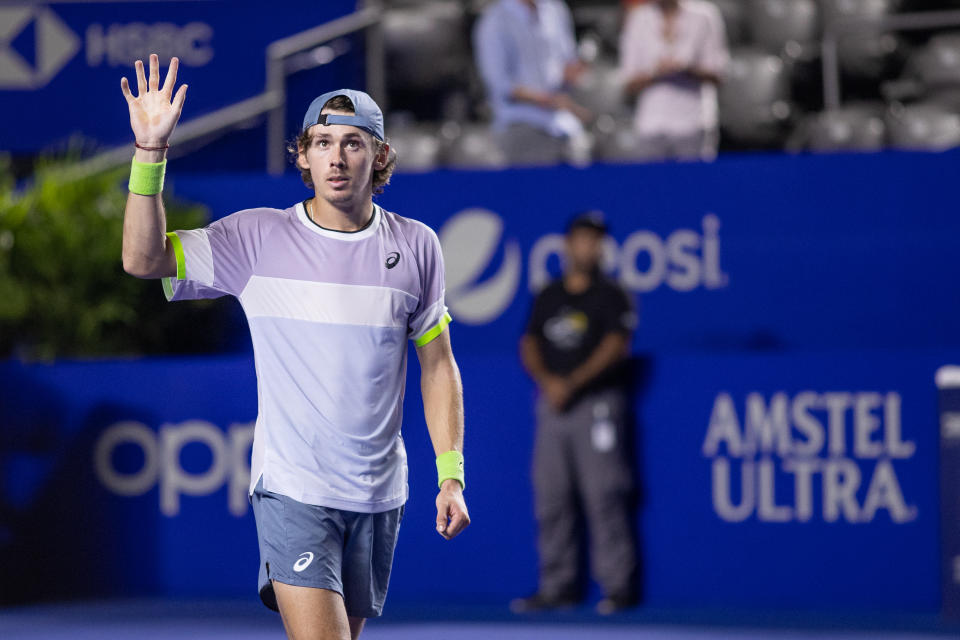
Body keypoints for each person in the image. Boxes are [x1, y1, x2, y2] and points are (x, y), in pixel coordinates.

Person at [119, 54, 470, 640]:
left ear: (379, 156)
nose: (337, 157)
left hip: (380, 494)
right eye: (322, 142)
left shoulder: (417, 246)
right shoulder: (256, 237)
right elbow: (142, 259)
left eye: (353, 143)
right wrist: (150, 152)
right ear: (302, 155)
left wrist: (451, 474)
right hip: (295, 490)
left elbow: (437, 365)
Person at [513, 212, 639, 616]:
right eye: (583, 239)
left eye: (596, 240)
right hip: (552, 404)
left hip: (596, 405)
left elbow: (616, 345)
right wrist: (550, 382)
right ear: (567, 245)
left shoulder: (611, 294)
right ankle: (557, 585)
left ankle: (618, 587)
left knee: (605, 494)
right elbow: (529, 342)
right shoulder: (549, 294)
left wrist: (573, 383)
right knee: (551, 497)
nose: (590, 247)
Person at [473, 0, 592, 166]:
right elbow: (499, 84)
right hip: (521, 125)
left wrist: (575, 71)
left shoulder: (556, 10)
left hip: (564, 126)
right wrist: (547, 100)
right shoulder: (494, 20)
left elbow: (567, 62)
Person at [619, 0, 729, 161]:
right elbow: (629, 82)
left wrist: (687, 69)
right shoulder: (639, 18)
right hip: (651, 125)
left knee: (694, 184)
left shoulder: (705, 15)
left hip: (694, 123)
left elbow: (718, 74)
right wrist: (656, 73)